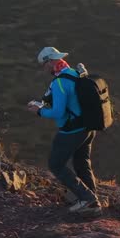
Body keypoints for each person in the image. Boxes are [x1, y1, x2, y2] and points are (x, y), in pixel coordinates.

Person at [31, 46, 100, 213]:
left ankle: (87, 199)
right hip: (88, 127)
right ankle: (92, 201)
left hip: (72, 130)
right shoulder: (75, 73)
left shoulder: (60, 82)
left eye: (44, 64)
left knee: (56, 164)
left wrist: (39, 110)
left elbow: (58, 112)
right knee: (82, 163)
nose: (44, 67)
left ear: (50, 62)